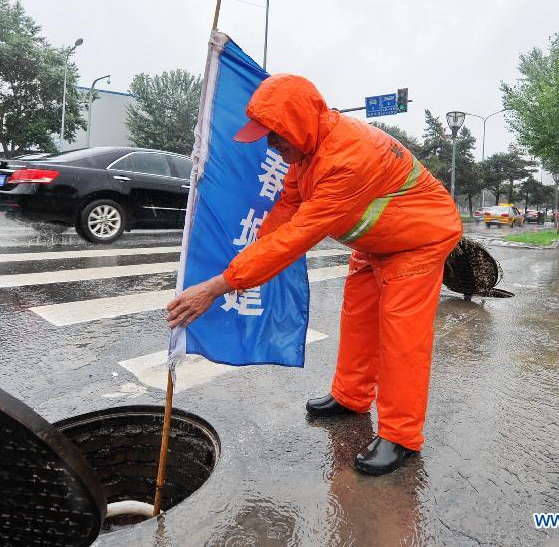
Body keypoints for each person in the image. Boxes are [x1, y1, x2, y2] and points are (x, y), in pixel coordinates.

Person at [166, 74, 462, 475]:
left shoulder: (347, 157)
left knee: (401, 338)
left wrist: (222, 285)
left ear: (300, 122)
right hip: (375, 244)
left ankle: (400, 436)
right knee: (357, 322)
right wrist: (245, 263)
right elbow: (285, 215)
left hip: (417, 241)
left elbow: (297, 236)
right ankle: (350, 398)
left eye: (275, 135)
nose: (272, 145)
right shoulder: (306, 156)